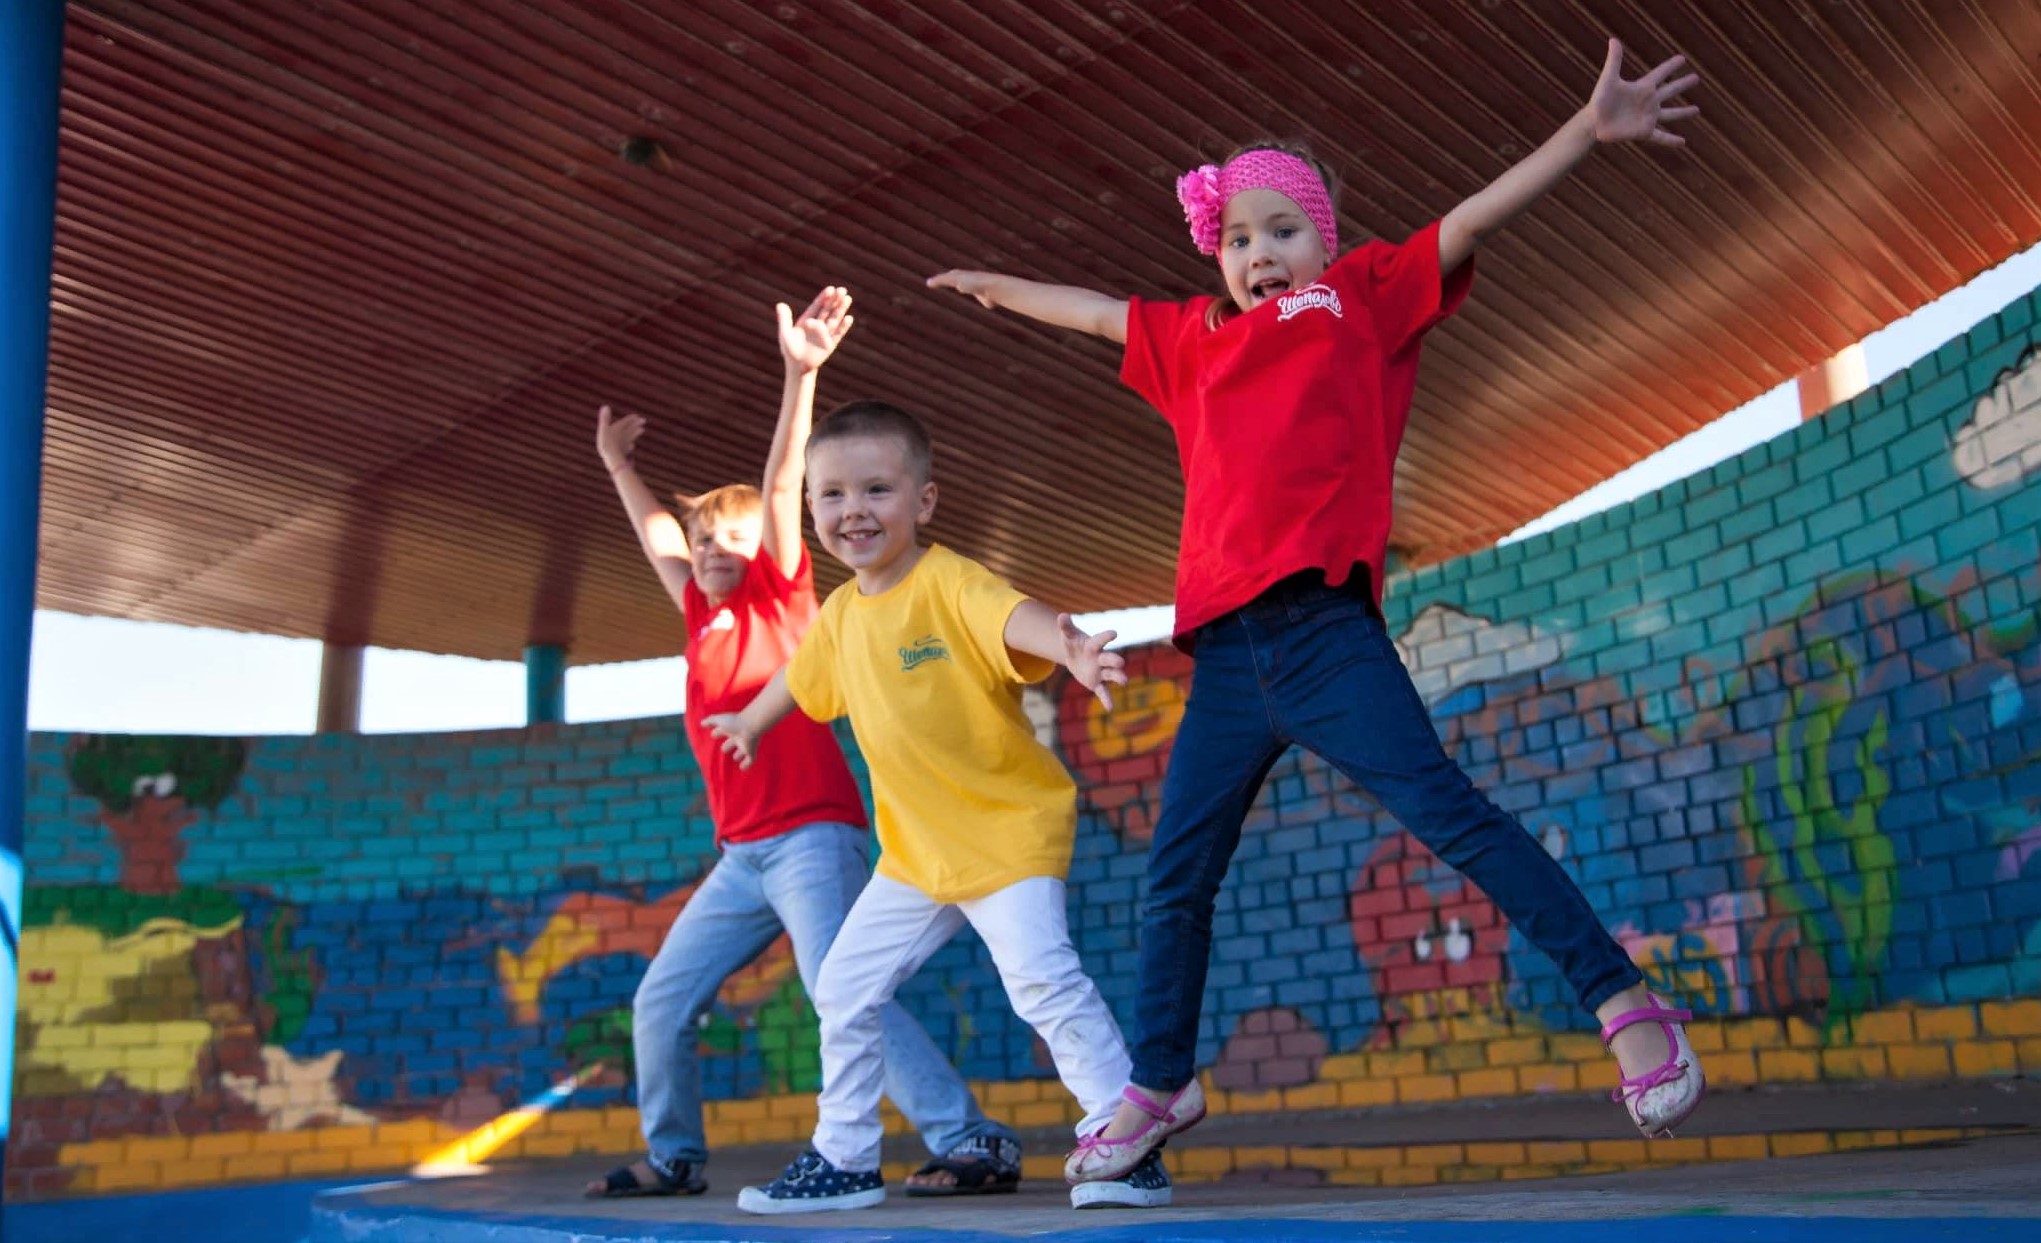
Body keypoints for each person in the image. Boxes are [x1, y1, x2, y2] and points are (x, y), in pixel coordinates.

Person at [926, 39, 1709, 1184]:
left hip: (1329, 636)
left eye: (1279, 231)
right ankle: (1159, 1081)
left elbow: (1467, 218)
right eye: (1237, 237)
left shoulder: (1359, 300)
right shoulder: (1193, 342)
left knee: (1452, 816)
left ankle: (1625, 1002)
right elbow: (1098, 312)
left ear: (1323, 242)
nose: (1255, 253)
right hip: (1229, 662)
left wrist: (1584, 135)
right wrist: (996, 287)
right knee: (1175, 875)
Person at [584, 288, 1020, 1200]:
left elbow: (783, 483)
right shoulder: (698, 610)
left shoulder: (781, 593)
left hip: (812, 838)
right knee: (660, 998)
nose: (709, 546)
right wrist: (618, 465)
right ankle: (673, 1156)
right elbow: (656, 532)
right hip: (739, 857)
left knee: (838, 989)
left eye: (727, 535)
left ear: (765, 548)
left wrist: (799, 373)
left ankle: (969, 1137)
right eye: (702, 536)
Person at [707, 401, 1169, 1212]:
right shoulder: (843, 613)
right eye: (833, 495)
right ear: (812, 508)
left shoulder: (948, 581)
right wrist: (749, 719)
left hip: (1003, 835)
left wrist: (1070, 647)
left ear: (922, 501)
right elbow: (801, 674)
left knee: (1042, 983)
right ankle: (844, 1158)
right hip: (916, 857)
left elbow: (1012, 615)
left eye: (877, 489)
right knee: (843, 989)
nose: (854, 510)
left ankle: (1123, 1142)